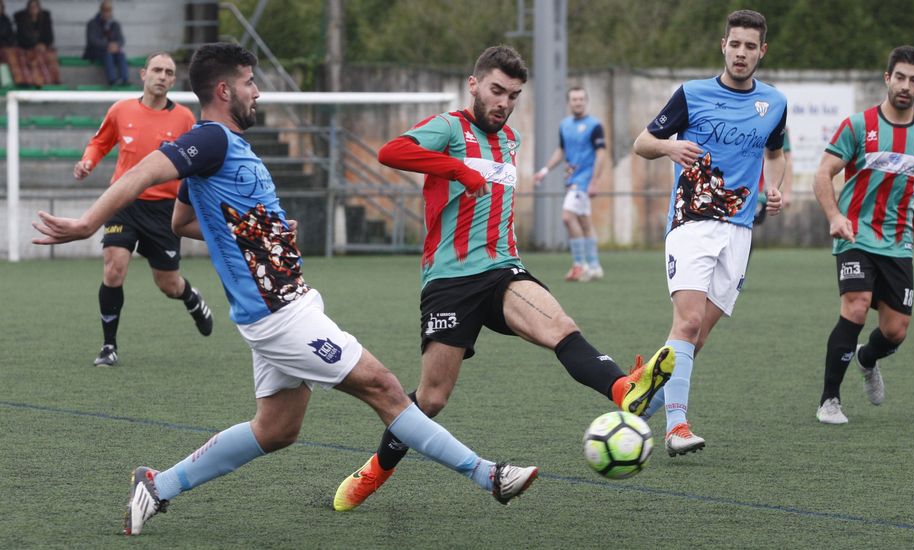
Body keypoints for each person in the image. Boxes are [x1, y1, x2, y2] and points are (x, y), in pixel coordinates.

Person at [33, 42, 538, 536]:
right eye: (251, 83)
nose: (259, 93)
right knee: (384, 387)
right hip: (278, 313)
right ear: (225, 89)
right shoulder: (208, 139)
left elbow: (183, 219)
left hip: (283, 304)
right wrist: (87, 223)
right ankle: (488, 475)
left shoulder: (224, 147)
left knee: (277, 429)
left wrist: (263, 232)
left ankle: (156, 485)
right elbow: (145, 172)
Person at [330, 45, 675, 512]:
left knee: (561, 327)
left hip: (503, 270)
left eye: (513, 95)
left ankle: (625, 391)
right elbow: (392, 152)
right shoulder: (450, 127)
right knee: (431, 399)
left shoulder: (510, 139)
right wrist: (457, 169)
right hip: (450, 279)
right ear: (474, 85)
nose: (503, 103)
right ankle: (376, 469)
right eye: (496, 91)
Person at [632, 10, 786, 456]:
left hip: (739, 232)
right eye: (734, 44)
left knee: (695, 340)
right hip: (691, 221)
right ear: (723, 45)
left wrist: (774, 188)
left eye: (750, 47)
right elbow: (642, 142)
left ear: (762, 51)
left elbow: (775, 153)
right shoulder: (692, 94)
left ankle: (639, 398)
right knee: (689, 321)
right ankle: (676, 427)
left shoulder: (774, 103)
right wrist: (668, 146)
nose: (741, 53)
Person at [813, 45, 914, 425]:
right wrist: (835, 215)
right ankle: (829, 401)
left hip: (898, 244)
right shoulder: (859, 126)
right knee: (856, 305)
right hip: (855, 235)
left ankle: (867, 358)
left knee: (895, 330)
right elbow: (823, 173)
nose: (906, 85)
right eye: (900, 77)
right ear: (887, 78)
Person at [74, 52, 213, 367]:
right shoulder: (121, 110)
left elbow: (197, 163)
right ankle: (109, 346)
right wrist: (87, 162)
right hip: (123, 201)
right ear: (143, 74)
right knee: (114, 268)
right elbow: (100, 142)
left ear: (173, 80)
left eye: (168, 72)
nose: (162, 76)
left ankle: (191, 298)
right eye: (157, 70)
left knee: (168, 284)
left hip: (164, 210)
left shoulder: (185, 119)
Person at [533, 86, 608, 282]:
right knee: (584, 221)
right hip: (571, 181)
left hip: (583, 182)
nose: (578, 102)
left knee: (567, 217)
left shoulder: (594, 125)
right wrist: (545, 171)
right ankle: (594, 266)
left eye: (581, 99)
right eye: (574, 99)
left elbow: (601, 154)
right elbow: (561, 151)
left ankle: (579, 265)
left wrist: (594, 181)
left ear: (586, 101)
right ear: (569, 102)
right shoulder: (565, 125)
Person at [10, 0, 59, 86]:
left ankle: (52, 81)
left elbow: (49, 36)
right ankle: (33, 81)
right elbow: (21, 36)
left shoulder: (45, 18)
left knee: (50, 56)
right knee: (33, 58)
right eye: (31, 6)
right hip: (26, 47)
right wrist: (34, 45)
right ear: (27, 8)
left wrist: (44, 44)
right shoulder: (22, 19)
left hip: (42, 47)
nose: (34, 8)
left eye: (36, 6)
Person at [83, 0, 129, 86]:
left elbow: (121, 39)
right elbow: (92, 40)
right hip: (96, 51)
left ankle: (124, 79)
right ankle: (112, 80)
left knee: (121, 54)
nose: (107, 12)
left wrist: (116, 45)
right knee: (107, 54)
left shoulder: (115, 24)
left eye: (109, 9)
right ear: (101, 10)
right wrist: (107, 45)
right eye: (105, 9)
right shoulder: (92, 23)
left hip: (112, 51)